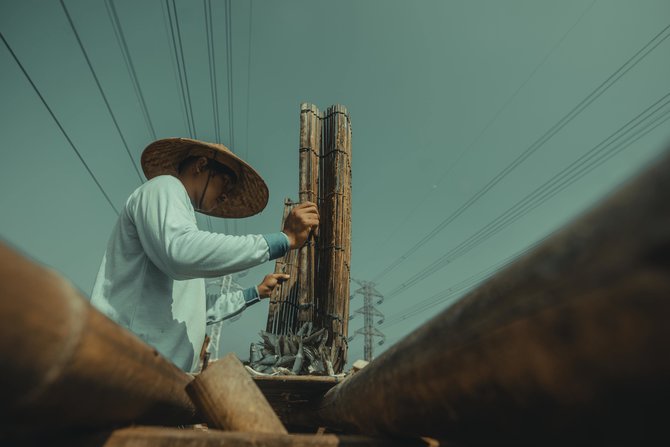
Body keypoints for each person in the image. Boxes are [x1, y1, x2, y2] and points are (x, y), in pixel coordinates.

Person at [90, 137, 318, 372]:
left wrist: (254, 293)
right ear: (200, 166)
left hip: (155, 374)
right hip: (126, 365)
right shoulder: (165, 188)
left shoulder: (181, 221)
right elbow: (180, 252)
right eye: (226, 183)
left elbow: (194, 309)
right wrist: (283, 239)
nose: (226, 195)